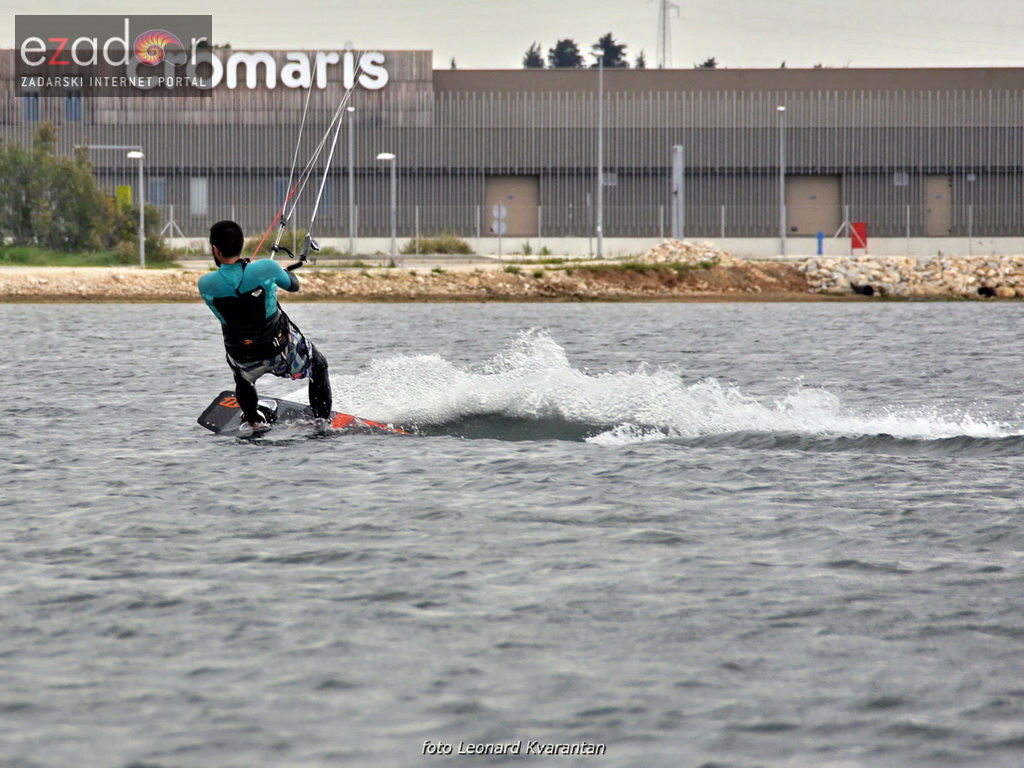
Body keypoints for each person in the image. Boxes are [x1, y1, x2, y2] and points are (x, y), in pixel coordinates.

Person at [198, 220, 332, 429]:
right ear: (242, 244)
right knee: (319, 365)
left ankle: (253, 420)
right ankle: (321, 423)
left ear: (215, 249)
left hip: (243, 358)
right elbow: (293, 286)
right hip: (280, 350)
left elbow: (236, 292)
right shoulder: (266, 268)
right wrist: (280, 271)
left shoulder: (205, 283)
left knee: (241, 377)